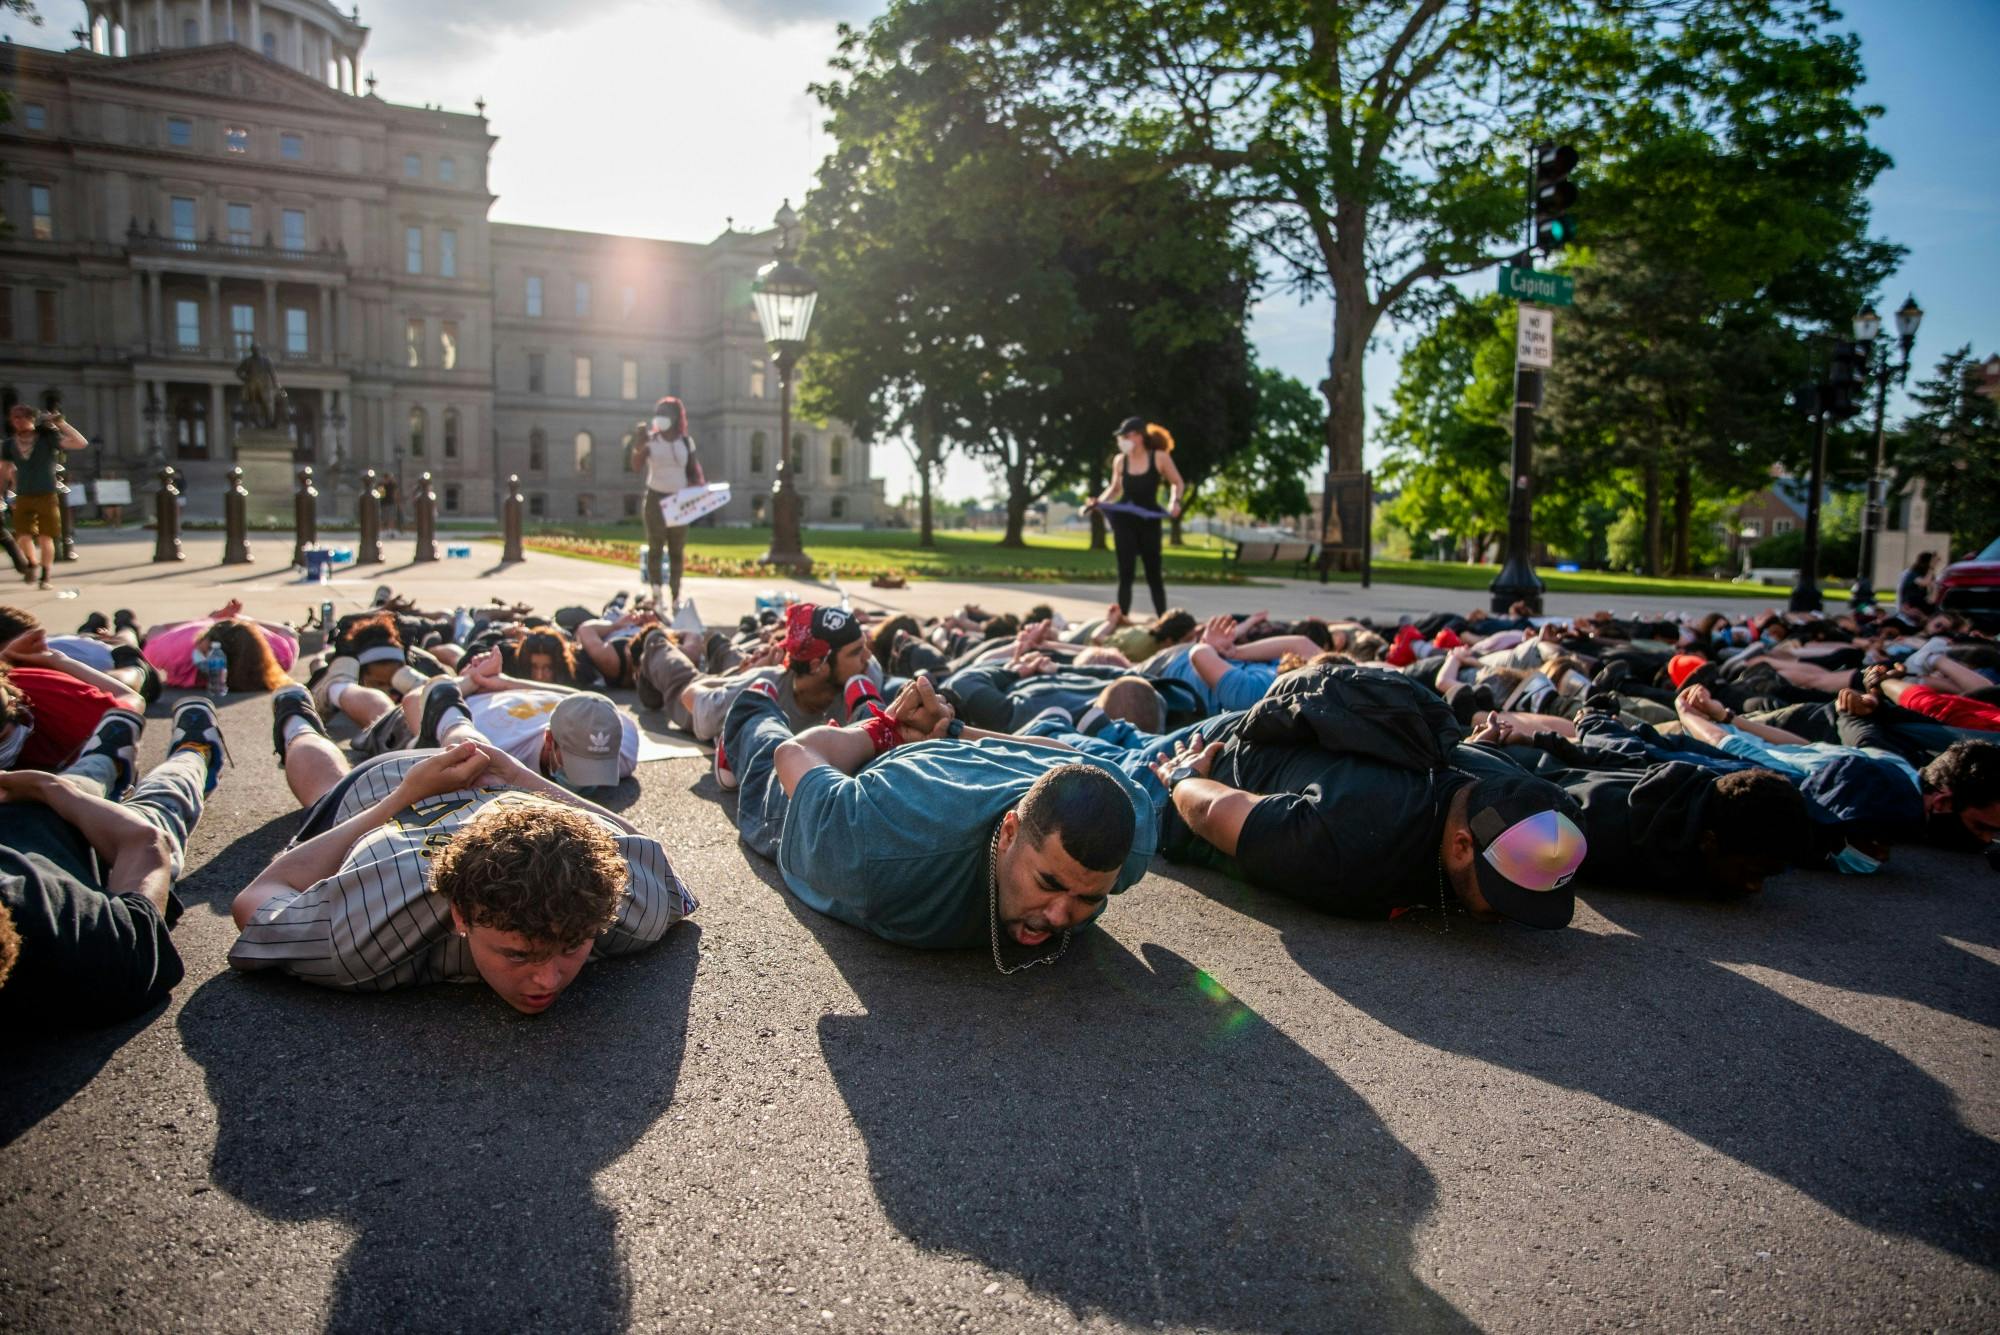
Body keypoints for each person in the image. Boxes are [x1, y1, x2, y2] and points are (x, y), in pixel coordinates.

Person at [229, 688, 695, 1011]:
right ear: (458, 914)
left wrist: (516, 773)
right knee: (325, 787)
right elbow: (259, 895)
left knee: (474, 754)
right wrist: (401, 798)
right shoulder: (361, 929)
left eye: (571, 948)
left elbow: (636, 850)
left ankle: (450, 715)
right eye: (517, 954)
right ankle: (295, 715)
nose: (547, 980)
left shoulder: (623, 899)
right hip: (386, 789)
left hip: (495, 781)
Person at [1120, 665, 1588, 928]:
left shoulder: (1519, 792)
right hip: (1208, 766)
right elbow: (1216, 810)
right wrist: (1182, 776)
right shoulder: (1352, 840)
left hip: (1293, 749)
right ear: (1462, 845)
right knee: (1110, 771)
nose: (1515, 917)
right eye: (1506, 895)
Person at [0, 698, 226, 1025]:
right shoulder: (77, 941)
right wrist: (46, 786)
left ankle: (108, 757)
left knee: (83, 776)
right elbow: (148, 844)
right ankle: (193, 750)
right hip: (90, 843)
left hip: (24, 810)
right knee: (164, 798)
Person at [402, 649, 639, 790]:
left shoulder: (618, 739)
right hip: (465, 700)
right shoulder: (491, 748)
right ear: (549, 740)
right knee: (383, 694)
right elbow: (413, 701)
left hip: (500, 689)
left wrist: (505, 682)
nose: (588, 784)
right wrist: (472, 681)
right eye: (575, 763)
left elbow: (589, 699)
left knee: (458, 655)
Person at [1084, 417, 1184, 618]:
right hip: (1125, 521)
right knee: (1125, 572)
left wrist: (1175, 501)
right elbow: (1114, 488)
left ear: (1139, 436)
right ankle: (1121, 620)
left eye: (1126, 436)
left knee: (1153, 573)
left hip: (1149, 520)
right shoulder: (1120, 460)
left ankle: (1164, 621)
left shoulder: (1159, 457)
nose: (1122, 440)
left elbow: (1177, 482)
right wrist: (1099, 502)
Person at [627, 396, 704, 612]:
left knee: (676, 549)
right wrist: (639, 444)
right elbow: (635, 465)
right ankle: (657, 593)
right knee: (656, 547)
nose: (661, 419)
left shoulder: (685, 442)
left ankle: (676, 594)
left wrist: (698, 494)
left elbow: (693, 471)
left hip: (678, 500)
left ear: (676, 417)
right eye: (658, 414)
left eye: (665, 414)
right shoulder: (651, 440)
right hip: (656, 498)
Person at [3, 402, 89, 590]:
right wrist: (5, 494)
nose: (17, 421)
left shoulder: (47, 439)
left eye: (21, 417)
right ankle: (32, 563)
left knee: (45, 537)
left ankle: (45, 574)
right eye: (14, 417)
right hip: (23, 494)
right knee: (23, 536)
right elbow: (5, 470)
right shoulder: (9, 445)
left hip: (46, 493)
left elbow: (80, 443)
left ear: (31, 418)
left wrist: (61, 423)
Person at [140, 598, 297, 692]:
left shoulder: (177, 652)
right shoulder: (276, 658)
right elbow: (287, 631)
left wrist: (210, 619)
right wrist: (244, 621)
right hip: (250, 631)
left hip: (195, 629)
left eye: (203, 650)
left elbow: (156, 630)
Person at [1897, 552, 1937, 620]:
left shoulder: (1928, 575)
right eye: (1933, 562)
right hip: (1909, 607)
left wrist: (1935, 588)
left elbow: (1932, 599)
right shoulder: (1913, 573)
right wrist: (1932, 567)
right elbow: (1925, 582)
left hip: (1921, 606)